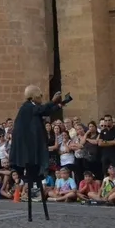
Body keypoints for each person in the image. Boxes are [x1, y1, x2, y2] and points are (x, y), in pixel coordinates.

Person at [9, 85, 67, 221]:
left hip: (32, 147)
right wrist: (53, 101)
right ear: (33, 96)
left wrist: (60, 104)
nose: (41, 97)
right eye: (40, 95)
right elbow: (42, 110)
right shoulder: (27, 107)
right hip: (28, 150)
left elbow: (45, 111)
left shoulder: (32, 108)